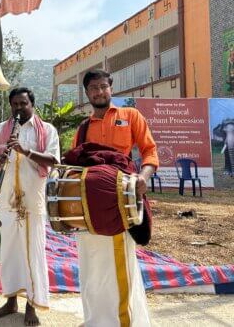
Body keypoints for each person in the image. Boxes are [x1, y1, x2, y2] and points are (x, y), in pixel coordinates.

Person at [72, 69, 159, 327]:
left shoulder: (130, 116)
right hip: (90, 206)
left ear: (111, 88)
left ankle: (124, 321)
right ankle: (96, 320)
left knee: (118, 258)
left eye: (103, 87)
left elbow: (150, 151)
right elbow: (76, 164)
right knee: (91, 262)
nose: (99, 92)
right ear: (87, 93)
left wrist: (143, 176)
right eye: (93, 88)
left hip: (122, 201)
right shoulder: (83, 127)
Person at [0, 87, 60, 326]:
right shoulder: (0, 129)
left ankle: (32, 304)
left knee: (33, 252)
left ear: (32, 104)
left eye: (22, 104)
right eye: (14, 104)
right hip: (5, 201)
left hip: (32, 200)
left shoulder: (46, 130)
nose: (18, 108)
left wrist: (25, 151)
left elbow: (54, 160)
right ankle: (11, 300)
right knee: (9, 252)